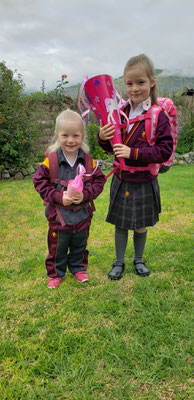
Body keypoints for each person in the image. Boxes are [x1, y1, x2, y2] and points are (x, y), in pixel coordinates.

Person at [98, 54, 173, 280]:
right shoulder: (118, 111)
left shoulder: (158, 116)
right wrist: (102, 137)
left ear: (152, 81)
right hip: (122, 179)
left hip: (144, 181)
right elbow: (110, 147)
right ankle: (119, 261)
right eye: (129, 83)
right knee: (120, 225)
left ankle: (139, 259)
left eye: (140, 82)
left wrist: (134, 153)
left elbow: (164, 151)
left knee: (140, 225)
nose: (134, 88)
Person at [33, 109, 106, 288]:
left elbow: (99, 181)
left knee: (80, 243)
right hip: (59, 217)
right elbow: (39, 182)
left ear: (82, 136)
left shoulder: (89, 162)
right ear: (57, 135)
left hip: (82, 216)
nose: (71, 140)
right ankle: (56, 273)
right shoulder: (50, 162)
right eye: (65, 135)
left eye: (76, 135)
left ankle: (78, 268)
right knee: (57, 245)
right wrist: (58, 197)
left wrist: (86, 195)